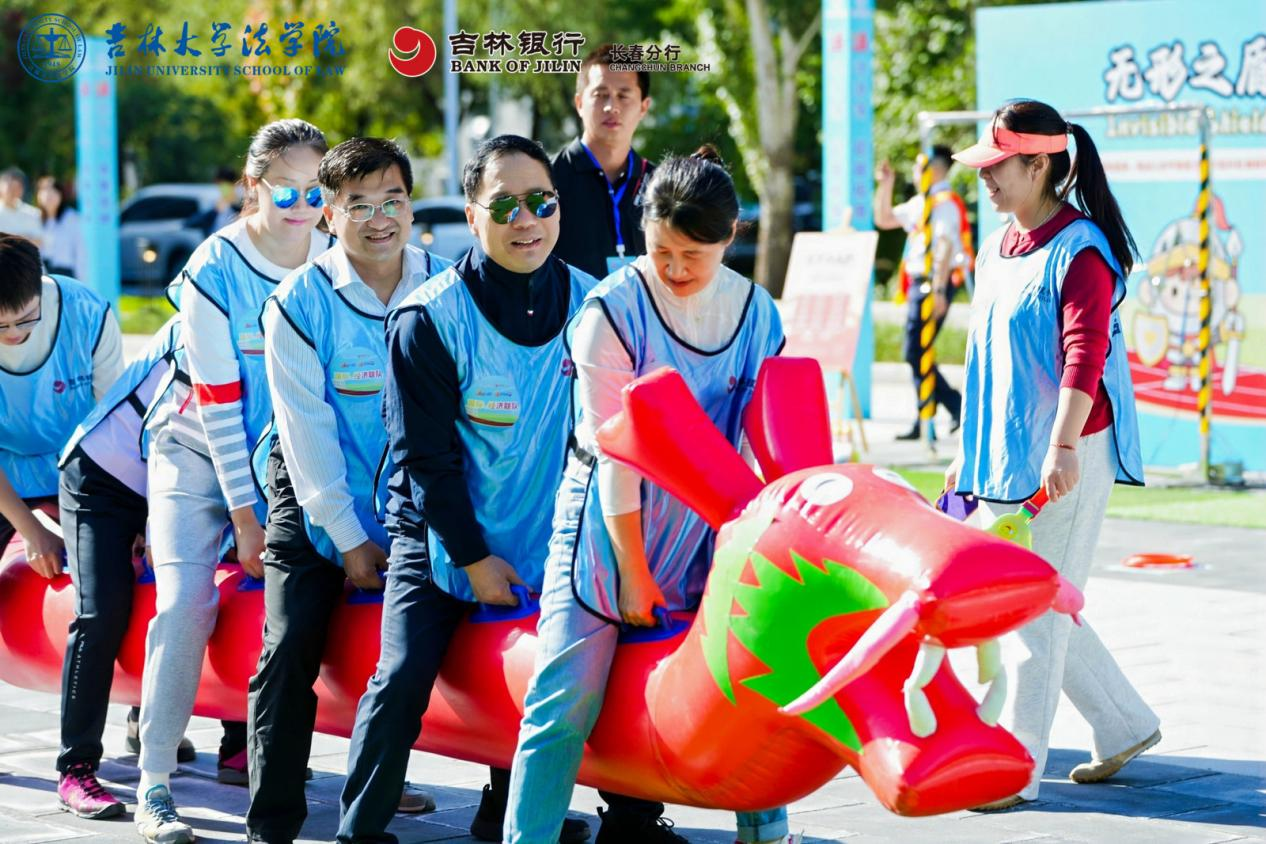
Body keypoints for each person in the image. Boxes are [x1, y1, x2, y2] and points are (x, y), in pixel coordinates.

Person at [507, 148, 791, 844]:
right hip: (606, 531)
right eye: (660, 250)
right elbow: (616, 451)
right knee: (561, 702)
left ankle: (767, 834)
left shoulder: (759, 314)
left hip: (708, 529)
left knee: (754, 690)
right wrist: (632, 569)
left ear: (730, 237)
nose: (675, 268)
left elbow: (767, 443)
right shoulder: (611, 311)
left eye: (694, 254)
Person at [336, 135, 593, 844]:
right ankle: (359, 830)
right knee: (401, 677)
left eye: (540, 202)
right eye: (504, 206)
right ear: (472, 216)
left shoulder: (595, 305)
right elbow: (425, 462)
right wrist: (473, 560)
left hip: (549, 532)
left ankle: (547, 814)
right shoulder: (427, 318)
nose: (525, 220)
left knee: (577, 671)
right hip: (437, 535)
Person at [945, 99, 1161, 810]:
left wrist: (1063, 447)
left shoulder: (1081, 251)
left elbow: (1084, 355)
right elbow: (984, 358)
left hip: (1066, 456)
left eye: (998, 166)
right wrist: (966, 449)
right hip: (1006, 455)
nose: (985, 178)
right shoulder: (997, 247)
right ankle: (1125, 723)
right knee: (1039, 602)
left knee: (1032, 613)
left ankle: (1016, 771)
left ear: (1040, 165)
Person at [133, 118, 334, 844]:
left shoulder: (335, 258)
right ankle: (154, 782)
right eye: (285, 190)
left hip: (285, 460)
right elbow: (219, 405)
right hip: (195, 454)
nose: (302, 206)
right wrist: (246, 521)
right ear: (253, 185)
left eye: (316, 191)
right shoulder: (213, 268)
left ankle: (377, 768)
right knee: (187, 602)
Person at [246, 137, 451, 844]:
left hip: (414, 499)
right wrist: (349, 540)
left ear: (412, 207)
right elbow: (306, 437)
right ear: (328, 215)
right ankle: (272, 825)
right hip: (311, 497)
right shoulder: (297, 303)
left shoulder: (447, 288)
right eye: (357, 204)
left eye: (392, 200)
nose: (378, 218)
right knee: (289, 650)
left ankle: (497, 803)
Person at [54, 316, 184, 820]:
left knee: (214, 590)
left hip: (182, 479)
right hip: (103, 477)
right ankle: (76, 768)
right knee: (102, 611)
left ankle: (237, 745)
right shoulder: (202, 319)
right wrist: (155, 525)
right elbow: (165, 431)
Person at [0, 234, 121, 562]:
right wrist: (30, 529)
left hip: (80, 467)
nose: (14, 333)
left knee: (107, 565)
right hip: (5, 476)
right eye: (1, 325)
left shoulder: (87, 310)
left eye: (26, 318)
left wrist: (135, 509)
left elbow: (116, 419)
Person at [873, 146, 969, 440]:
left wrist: (938, 289)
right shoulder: (921, 202)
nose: (914, 174)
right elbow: (884, 218)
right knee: (917, 350)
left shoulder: (944, 203)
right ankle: (926, 416)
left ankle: (954, 406)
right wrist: (886, 185)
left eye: (918, 167)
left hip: (933, 282)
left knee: (915, 350)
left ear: (934, 169)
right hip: (919, 283)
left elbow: (945, 245)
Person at [551, 43, 654, 280]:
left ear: (643, 107)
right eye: (600, 95)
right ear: (579, 103)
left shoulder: (662, 186)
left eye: (623, 95)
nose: (611, 107)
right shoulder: (547, 179)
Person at [36, 177, 83, 279]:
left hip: (65, 273)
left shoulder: (72, 218)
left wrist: (81, 278)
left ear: (61, 195)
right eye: (44, 191)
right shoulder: (34, 218)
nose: (48, 196)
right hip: (41, 273)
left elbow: (80, 250)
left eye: (53, 192)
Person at [0, 167, 43, 245]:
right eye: (10, 187)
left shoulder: (33, 213)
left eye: (17, 187)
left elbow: (39, 241)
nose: (13, 192)